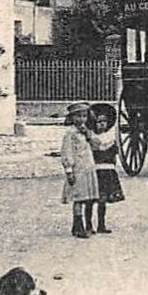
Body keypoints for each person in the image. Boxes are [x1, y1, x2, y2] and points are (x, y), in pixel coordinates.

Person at [59, 102, 100, 239]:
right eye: (78, 116)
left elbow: (97, 146)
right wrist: (69, 170)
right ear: (71, 118)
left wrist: (88, 134)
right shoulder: (70, 134)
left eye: (84, 116)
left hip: (89, 167)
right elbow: (67, 152)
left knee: (89, 198)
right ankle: (78, 225)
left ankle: (88, 224)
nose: (81, 119)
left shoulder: (86, 132)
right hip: (78, 170)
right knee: (79, 198)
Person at [87, 102, 127, 234]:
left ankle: (101, 225)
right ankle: (88, 225)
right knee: (91, 199)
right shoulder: (91, 138)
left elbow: (114, 153)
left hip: (108, 171)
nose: (102, 124)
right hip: (95, 171)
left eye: (104, 121)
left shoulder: (110, 137)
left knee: (103, 200)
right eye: (98, 121)